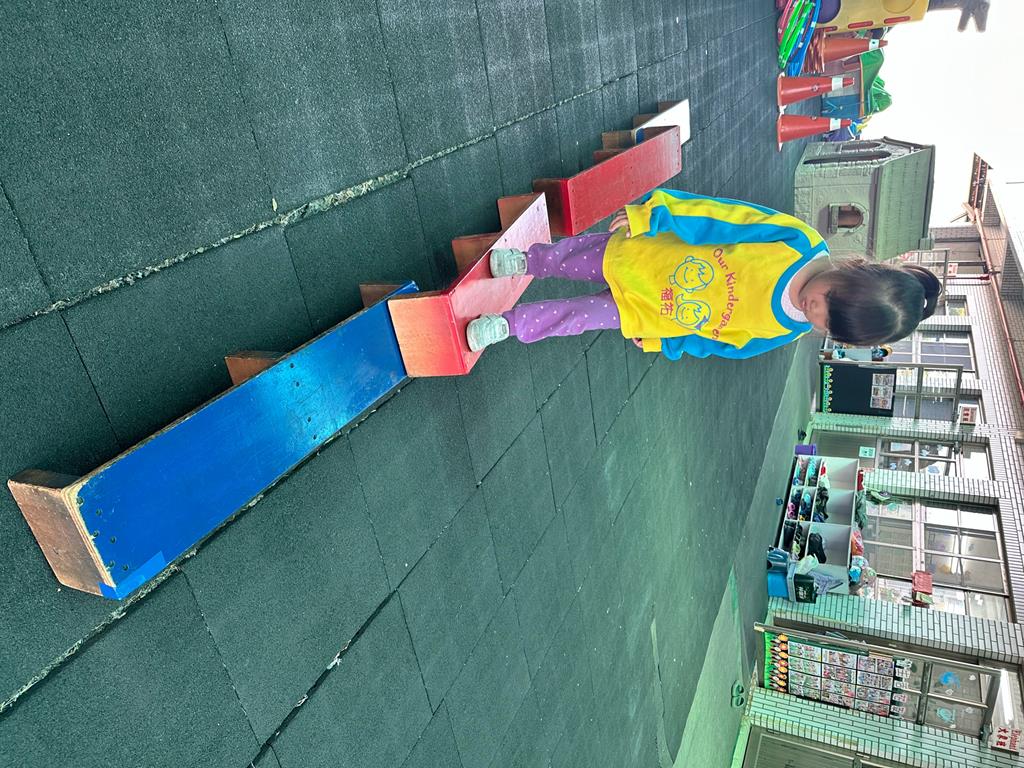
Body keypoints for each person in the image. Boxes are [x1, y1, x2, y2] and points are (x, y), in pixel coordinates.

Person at [466, 189, 941, 360]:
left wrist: (666, 342)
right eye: (830, 299)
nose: (816, 311)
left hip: (653, 311)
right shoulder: (797, 244)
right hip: (649, 259)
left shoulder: (787, 330)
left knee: (577, 318)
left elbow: (721, 344)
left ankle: (508, 325)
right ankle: (528, 261)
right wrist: (655, 214)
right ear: (852, 270)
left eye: (828, 325)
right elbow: (721, 217)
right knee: (571, 258)